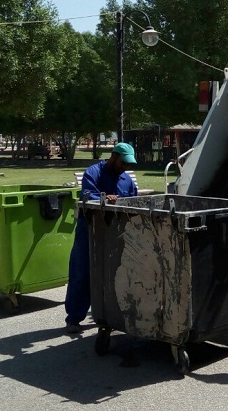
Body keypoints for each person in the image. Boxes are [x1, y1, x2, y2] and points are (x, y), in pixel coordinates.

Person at [64, 142, 138, 333]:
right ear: (113, 157)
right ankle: (74, 317)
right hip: (90, 228)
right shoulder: (93, 173)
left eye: (128, 165)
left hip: (115, 231)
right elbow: (88, 196)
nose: (125, 167)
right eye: (123, 163)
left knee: (116, 273)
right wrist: (106, 198)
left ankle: (112, 315)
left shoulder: (127, 180)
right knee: (82, 271)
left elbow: (135, 201)